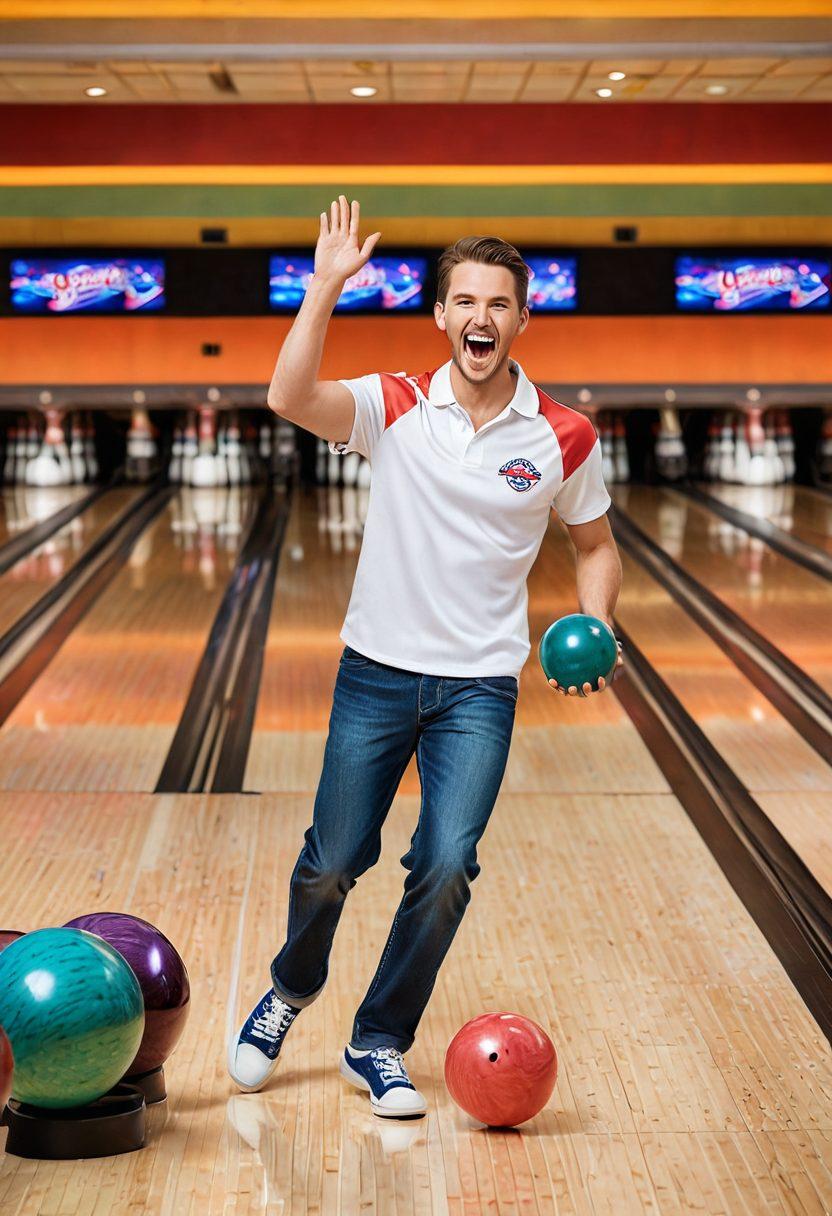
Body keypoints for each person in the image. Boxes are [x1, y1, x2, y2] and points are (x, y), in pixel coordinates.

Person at [228, 196, 623, 1118]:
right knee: (333, 860)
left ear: (523, 318)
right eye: (464, 302)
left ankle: (378, 1040)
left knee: (447, 864)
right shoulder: (393, 403)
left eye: (499, 303)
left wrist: (598, 622)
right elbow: (288, 397)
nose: (481, 318)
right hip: (376, 670)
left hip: (480, 687)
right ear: (440, 314)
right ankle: (289, 992)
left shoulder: (563, 434)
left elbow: (596, 547)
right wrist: (324, 286)